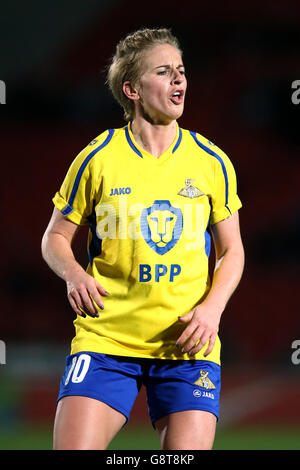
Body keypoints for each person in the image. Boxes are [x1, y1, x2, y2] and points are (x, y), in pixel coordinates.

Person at [41, 27, 244, 450]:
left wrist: (212, 309)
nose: (179, 80)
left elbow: (232, 251)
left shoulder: (212, 161)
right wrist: (74, 274)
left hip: (188, 346)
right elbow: (55, 237)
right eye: (165, 71)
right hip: (106, 341)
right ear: (132, 88)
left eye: (182, 71)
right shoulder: (97, 158)